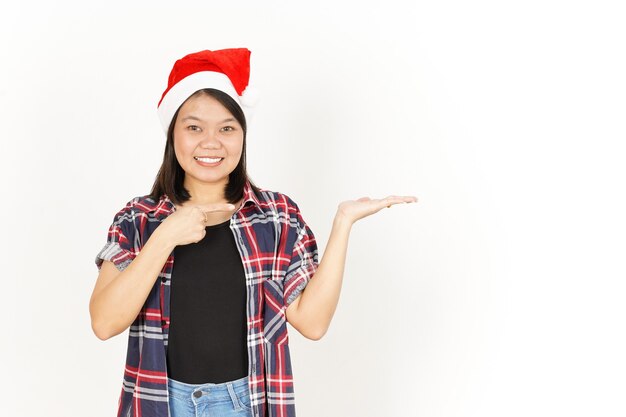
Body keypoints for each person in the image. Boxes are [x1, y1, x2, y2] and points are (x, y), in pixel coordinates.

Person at [89, 48, 417, 417]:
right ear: (173, 135)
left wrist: (343, 223)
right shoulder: (137, 219)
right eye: (194, 127)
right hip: (160, 403)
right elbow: (104, 323)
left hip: (245, 404)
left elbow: (312, 323)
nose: (211, 142)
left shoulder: (276, 217)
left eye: (227, 128)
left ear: (242, 135)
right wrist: (165, 236)